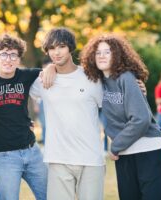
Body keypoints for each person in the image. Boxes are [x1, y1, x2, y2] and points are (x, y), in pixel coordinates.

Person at [81, 33, 161, 200]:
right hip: (125, 154)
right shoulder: (98, 82)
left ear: (117, 54)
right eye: (98, 52)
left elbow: (141, 120)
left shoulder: (126, 77)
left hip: (147, 150)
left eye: (107, 52)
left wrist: (115, 146)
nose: (102, 56)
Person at [30, 27, 105, 200]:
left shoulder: (92, 78)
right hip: (58, 159)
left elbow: (114, 102)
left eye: (61, 46)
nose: (56, 52)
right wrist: (50, 68)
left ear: (70, 47)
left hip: (90, 158)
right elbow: (17, 88)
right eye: (51, 48)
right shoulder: (42, 81)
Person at [0, 34, 55, 200]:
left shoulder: (26, 76)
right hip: (3, 157)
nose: (9, 59)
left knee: (51, 195)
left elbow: (53, 71)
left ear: (19, 58)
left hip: (32, 151)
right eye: (4, 54)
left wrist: (51, 67)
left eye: (13, 55)